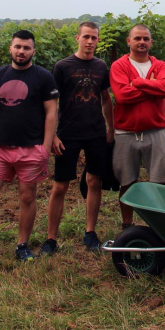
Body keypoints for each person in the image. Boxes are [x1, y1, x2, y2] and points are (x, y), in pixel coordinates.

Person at [0, 30, 59, 271]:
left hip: (31, 148)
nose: (21, 51)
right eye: (18, 47)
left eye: (26, 48)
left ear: (33, 51)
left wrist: (44, 146)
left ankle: (22, 245)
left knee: (27, 197)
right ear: (10, 48)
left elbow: (51, 113)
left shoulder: (43, 77)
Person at [41, 22, 114, 255]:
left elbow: (105, 98)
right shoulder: (63, 66)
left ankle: (90, 232)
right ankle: (51, 238)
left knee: (94, 182)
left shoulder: (102, 66)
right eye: (86, 37)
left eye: (94, 37)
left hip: (95, 132)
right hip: (68, 133)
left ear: (98, 40)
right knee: (60, 186)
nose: (90, 41)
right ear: (78, 38)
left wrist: (110, 127)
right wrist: (51, 135)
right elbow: (51, 103)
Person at [110, 24, 165, 228]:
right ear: (128, 41)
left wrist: (137, 83)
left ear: (151, 42)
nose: (142, 42)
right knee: (127, 183)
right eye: (137, 38)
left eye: (146, 39)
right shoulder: (119, 66)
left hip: (155, 131)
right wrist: (151, 87)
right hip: (125, 133)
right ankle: (127, 225)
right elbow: (122, 96)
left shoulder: (161, 66)